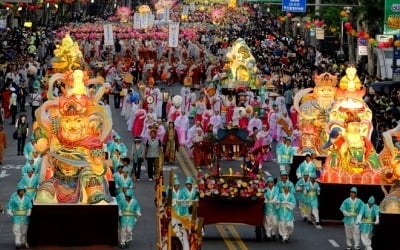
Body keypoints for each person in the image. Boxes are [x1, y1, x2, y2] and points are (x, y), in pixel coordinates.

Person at [263, 176, 279, 241]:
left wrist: (273, 200)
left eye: (271, 182)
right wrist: (266, 200)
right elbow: (264, 196)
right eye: (269, 182)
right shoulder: (265, 189)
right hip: (268, 208)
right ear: (267, 183)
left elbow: (276, 195)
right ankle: (268, 234)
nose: (270, 184)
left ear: (273, 183)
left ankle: (273, 233)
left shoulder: (276, 189)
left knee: (275, 223)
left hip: (274, 208)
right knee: (268, 222)